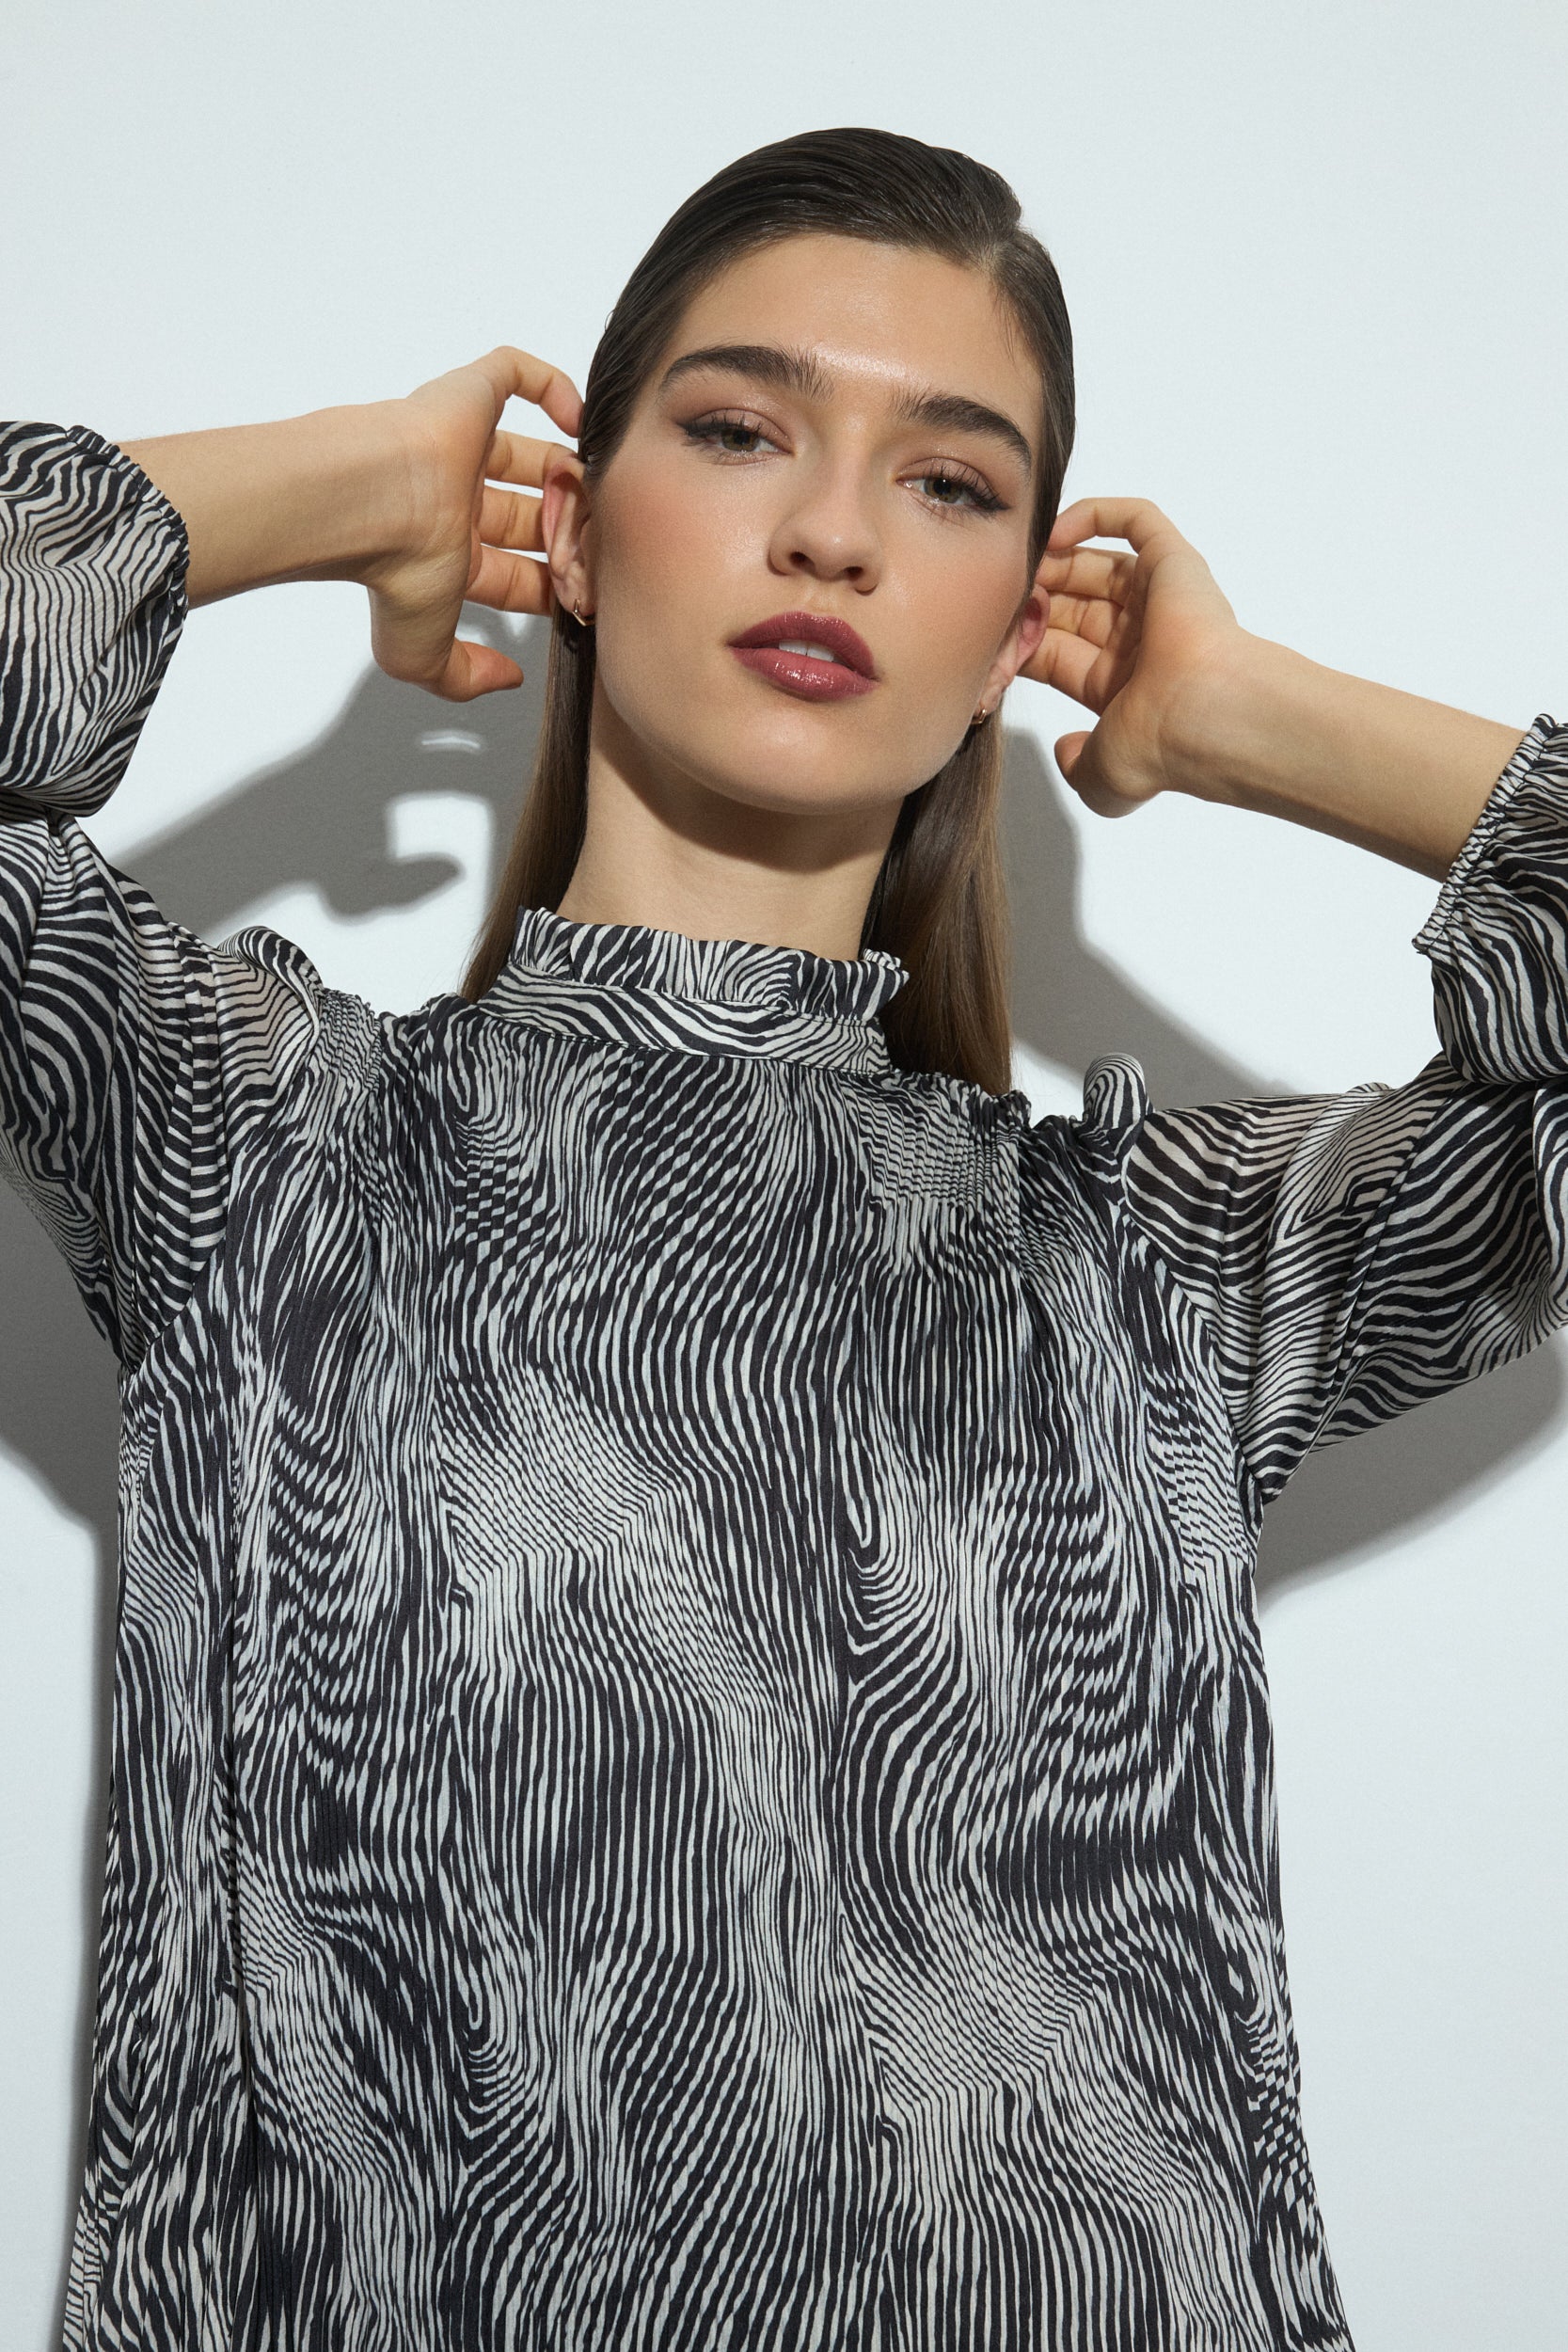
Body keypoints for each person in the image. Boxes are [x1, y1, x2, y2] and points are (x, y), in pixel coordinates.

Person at [1, 124, 1559, 2352]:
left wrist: (1243, 719)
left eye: (949, 485)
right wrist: (355, 486)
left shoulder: (1166, 1278)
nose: (828, 527)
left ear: (1025, 614)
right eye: (737, 431)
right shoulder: (254, 1139)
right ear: (580, 510)